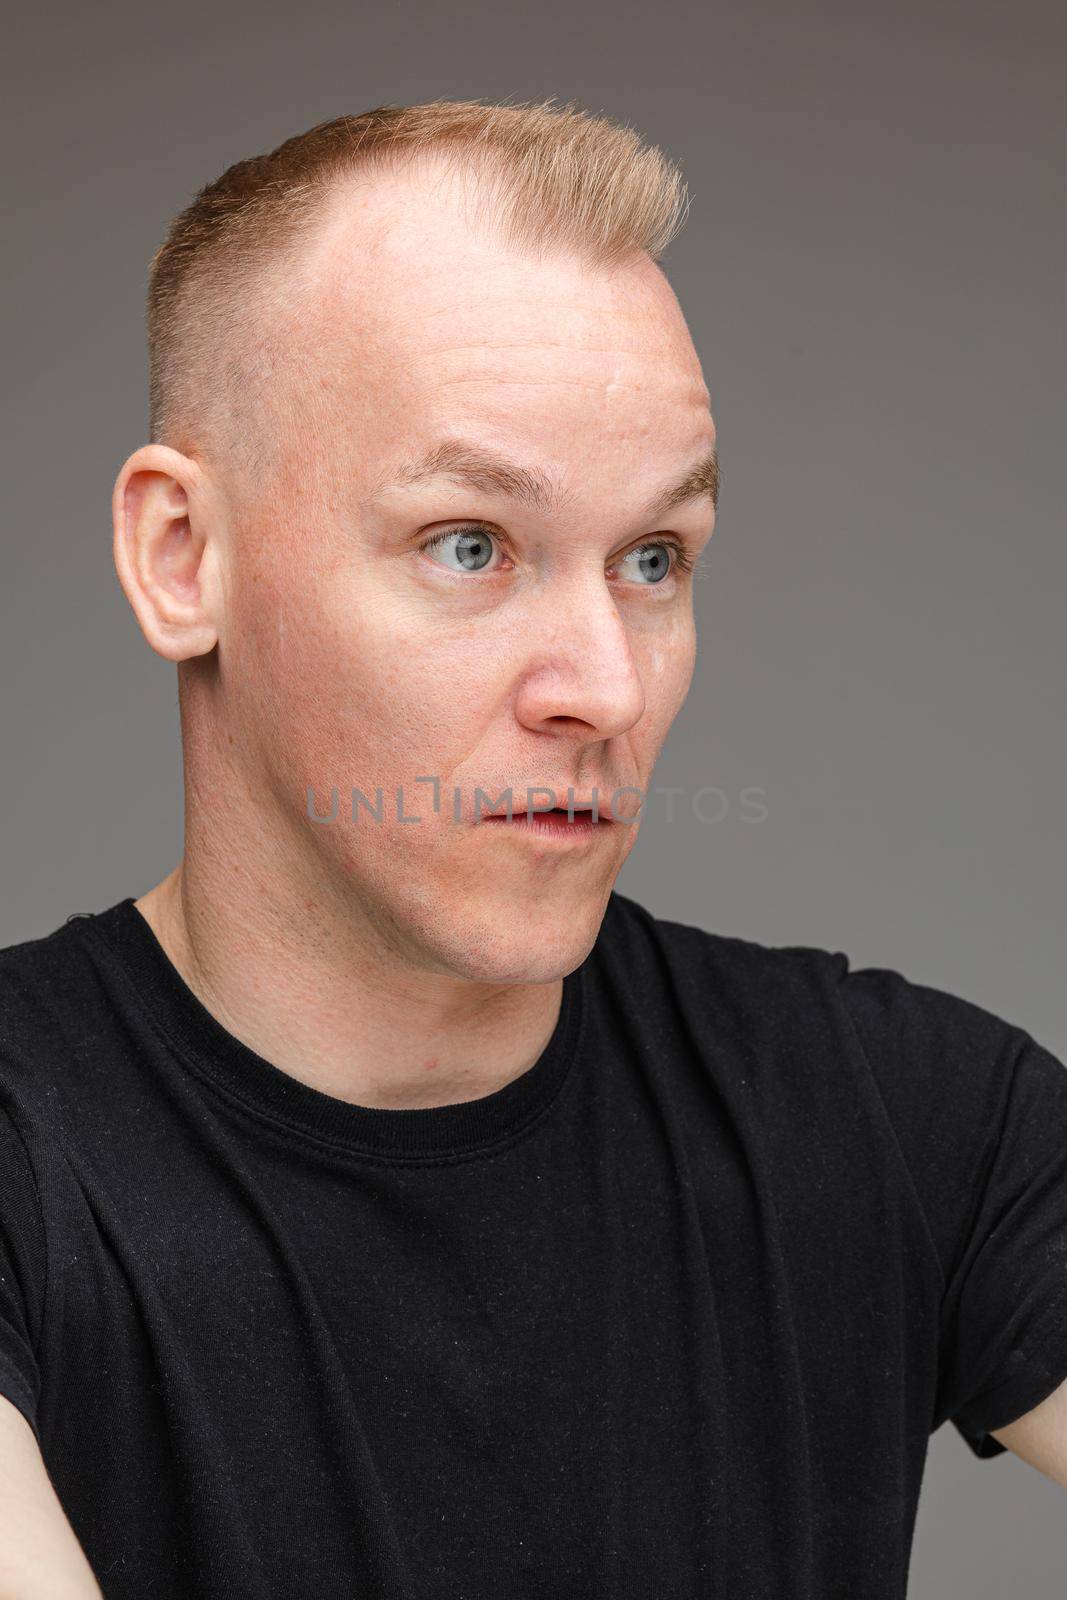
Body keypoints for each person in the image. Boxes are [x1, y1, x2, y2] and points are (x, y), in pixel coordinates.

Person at [1, 97, 1064, 1600]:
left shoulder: (906, 1120)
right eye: (470, 545)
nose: (608, 688)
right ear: (186, 557)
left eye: (654, 560)